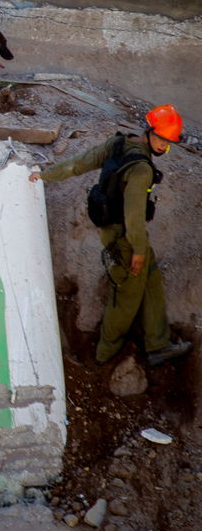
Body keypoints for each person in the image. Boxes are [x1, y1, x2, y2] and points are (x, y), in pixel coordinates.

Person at [30, 103, 190, 367]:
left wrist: (46, 175)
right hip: (125, 239)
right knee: (126, 297)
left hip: (117, 232)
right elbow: (134, 217)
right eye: (161, 139)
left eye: (168, 142)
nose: (163, 146)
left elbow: (80, 164)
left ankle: (158, 344)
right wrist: (137, 250)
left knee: (150, 281)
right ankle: (104, 353)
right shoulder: (141, 170)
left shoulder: (117, 144)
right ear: (150, 131)